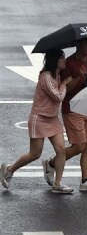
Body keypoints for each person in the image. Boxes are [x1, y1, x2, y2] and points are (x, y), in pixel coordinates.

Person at [1, 49, 74, 194]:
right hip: (39, 118)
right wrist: (65, 83)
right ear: (55, 61)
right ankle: (9, 170)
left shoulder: (58, 76)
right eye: (62, 58)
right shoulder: (46, 77)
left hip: (52, 118)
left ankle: (57, 184)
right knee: (35, 154)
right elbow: (58, 97)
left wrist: (66, 79)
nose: (64, 61)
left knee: (61, 151)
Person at [43, 38, 87, 193]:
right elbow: (65, 90)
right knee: (79, 146)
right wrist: (78, 78)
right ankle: (51, 164)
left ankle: (86, 180)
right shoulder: (68, 64)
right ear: (78, 45)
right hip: (73, 109)